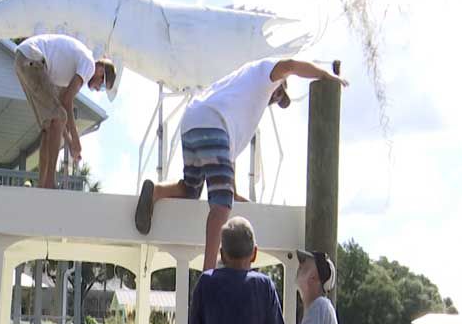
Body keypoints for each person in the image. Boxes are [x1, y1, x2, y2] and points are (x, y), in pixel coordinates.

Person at [134, 58, 347, 270]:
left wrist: (236, 195)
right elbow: (290, 65)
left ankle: (156, 191)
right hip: (214, 125)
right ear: (279, 83)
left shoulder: (238, 94)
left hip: (192, 122)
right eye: (279, 93)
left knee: (191, 188)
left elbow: (228, 161)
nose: (275, 99)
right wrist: (325, 75)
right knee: (221, 203)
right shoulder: (265, 73)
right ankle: (209, 272)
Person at [14, 34, 116, 188]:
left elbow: (62, 106)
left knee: (49, 126)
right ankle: (49, 183)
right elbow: (67, 102)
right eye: (101, 86)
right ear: (101, 71)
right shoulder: (89, 65)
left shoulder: (68, 73)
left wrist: (70, 143)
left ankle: (42, 184)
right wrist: (76, 139)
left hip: (23, 59)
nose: (96, 89)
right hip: (33, 59)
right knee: (59, 117)